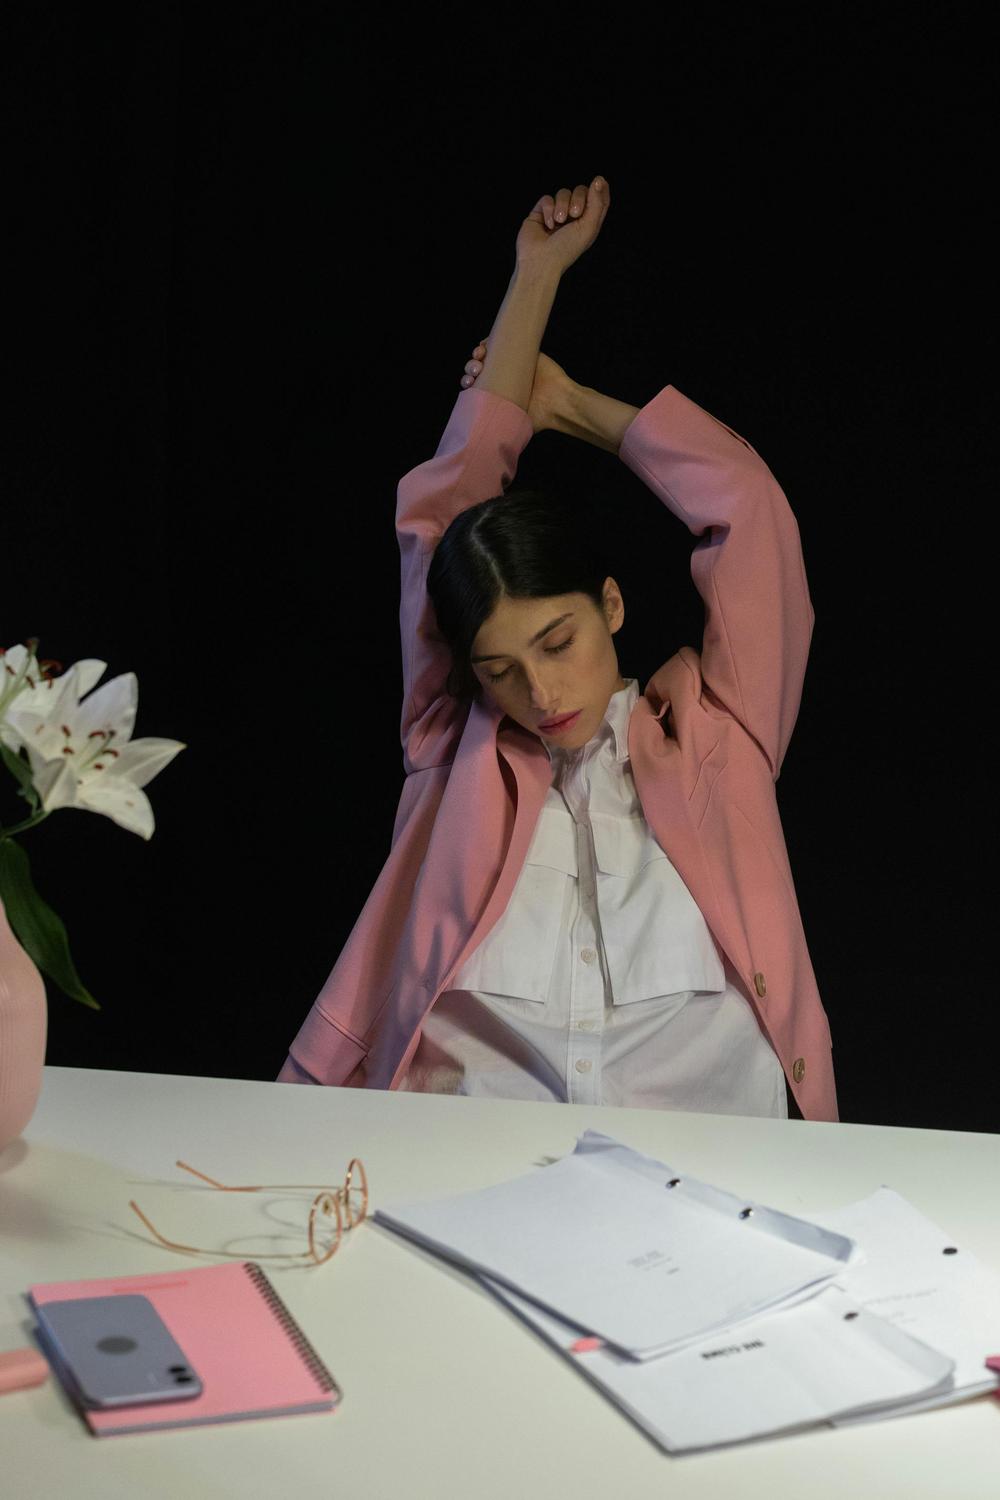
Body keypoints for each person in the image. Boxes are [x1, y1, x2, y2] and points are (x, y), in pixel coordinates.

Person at [277, 175, 838, 1121]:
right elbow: (441, 525)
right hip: (465, 1160)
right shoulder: (452, 743)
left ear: (611, 603)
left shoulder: (719, 732)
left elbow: (750, 510)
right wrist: (533, 273)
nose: (538, 690)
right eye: (499, 668)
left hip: (708, 1176)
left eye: (557, 640)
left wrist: (569, 405)